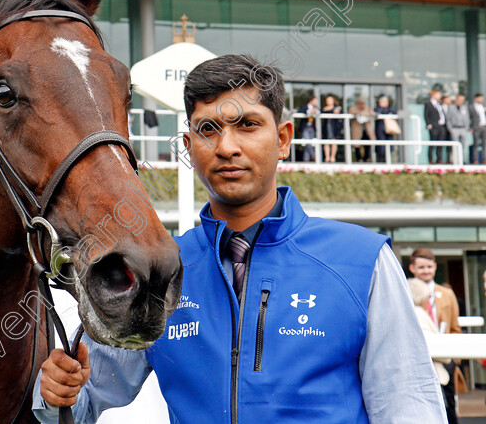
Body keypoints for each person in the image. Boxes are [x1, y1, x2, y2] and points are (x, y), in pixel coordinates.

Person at [34, 54, 445, 423]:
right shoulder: (157, 267)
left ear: (283, 139)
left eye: (247, 125)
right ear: (188, 146)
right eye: (208, 129)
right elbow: (82, 404)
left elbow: (409, 405)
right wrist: (55, 394)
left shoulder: (361, 261)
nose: (227, 146)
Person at [410, 247, 464, 415]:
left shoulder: (447, 293)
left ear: (435, 267)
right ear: (412, 268)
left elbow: (455, 328)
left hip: (445, 362)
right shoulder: (404, 290)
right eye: (421, 267)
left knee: (448, 409)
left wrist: (454, 361)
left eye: (429, 267)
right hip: (417, 361)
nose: (425, 271)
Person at [408, 277, 456, 423]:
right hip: (435, 375)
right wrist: (449, 357)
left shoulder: (410, 313)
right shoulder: (419, 314)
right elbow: (430, 346)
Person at [349, 98, 375, 162]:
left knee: (367, 145)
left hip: (366, 130)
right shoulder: (353, 108)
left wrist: (370, 113)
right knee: (357, 145)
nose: (362, 105)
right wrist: (359, 113)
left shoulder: (367, 108)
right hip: (357, 130)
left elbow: (372, 113)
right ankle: (359, 158)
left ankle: (367, 157)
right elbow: (351, 112)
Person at [425, 90, 448, 164]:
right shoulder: (428, 104)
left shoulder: (439, 104)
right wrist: (429, 124)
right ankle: (431, 159)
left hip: (441, 126)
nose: (439, 96)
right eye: (438, 94)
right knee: (433, 143)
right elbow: (426, 115)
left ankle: (439, 159)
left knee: (440, 143)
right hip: (434, 126)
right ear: (433, 95)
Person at [447, 94, 470, 164]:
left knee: (462, 145)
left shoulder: (464, 108)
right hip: (454, 128)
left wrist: (467, 127)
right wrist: (450, 128)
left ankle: (461, 160)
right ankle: (454, 160)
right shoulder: (451, 107)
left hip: (463, 128)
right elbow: (448, 118)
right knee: (455, 144)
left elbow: (467, 118)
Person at [374, 96, 397, 163]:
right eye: (384, 102)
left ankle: (388, 161)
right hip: (381, 130)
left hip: (389, 131)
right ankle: (381, 161)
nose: (385, 103)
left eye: (386, 102)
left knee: (390, 146)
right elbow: (377, 113)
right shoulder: (378, 109)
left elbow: (394, 113)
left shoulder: (390, 109)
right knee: (381, 146)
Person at [321, 95, 343, 163]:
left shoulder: (337, 108)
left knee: (334, 142)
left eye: (329, 100)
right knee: (326, 142)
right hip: (326, 128)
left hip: (335, 128)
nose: (328, 101)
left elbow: (341, 115)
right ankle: (327, 157)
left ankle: (333, 157)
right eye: (327, 100)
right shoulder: (324, 109)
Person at [297, 96, 319, 162]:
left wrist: (316, 111)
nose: (316, 102)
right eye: (315, 101)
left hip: (312, 128)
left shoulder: (316, 108)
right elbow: (301, 111)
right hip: (305, 127)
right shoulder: (305, 107)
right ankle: (313, 156)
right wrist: (311, 112)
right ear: (311, 101)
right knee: (307, 142)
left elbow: (319, 113)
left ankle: (306, 159)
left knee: (309, 142)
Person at [470, 93, 486, 165]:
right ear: (475, 98)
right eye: (480, 98)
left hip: (484, 127)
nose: (481, 100)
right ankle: (475, 160)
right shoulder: (471, 107)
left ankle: (484, 159)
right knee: (476, 144)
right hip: (476, 127)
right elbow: (469, 117)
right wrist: (471, 127)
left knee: (484, 144)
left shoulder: (484, 105)